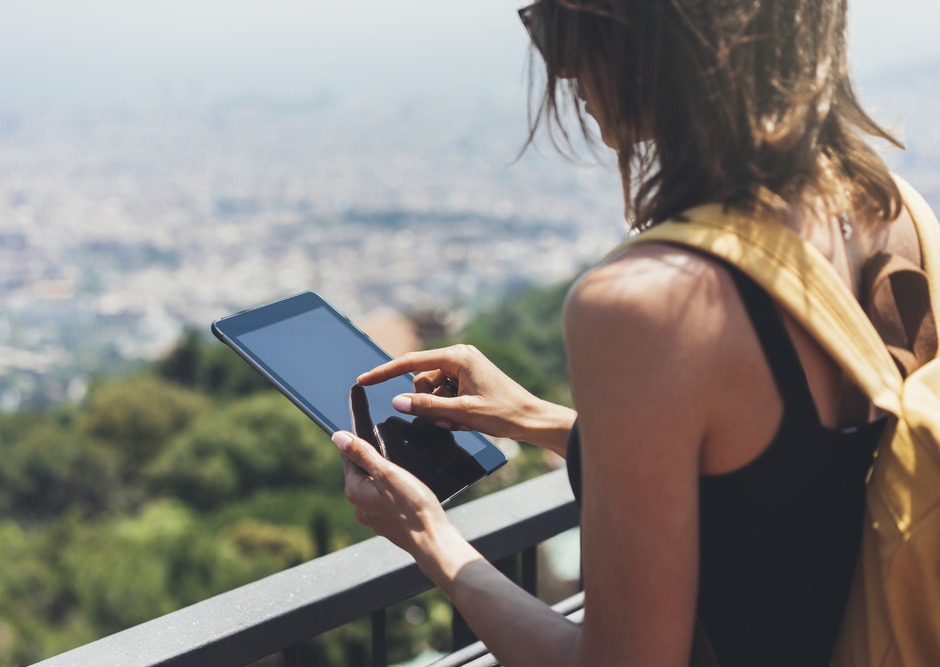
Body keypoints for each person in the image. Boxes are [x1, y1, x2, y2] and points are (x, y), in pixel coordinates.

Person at [329, 1, 933, 665]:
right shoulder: (889, 210)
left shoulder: (650, 301)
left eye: (560, 20)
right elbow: (787, 487)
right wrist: (534, 417)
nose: (557, 65)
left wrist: (427, 535)